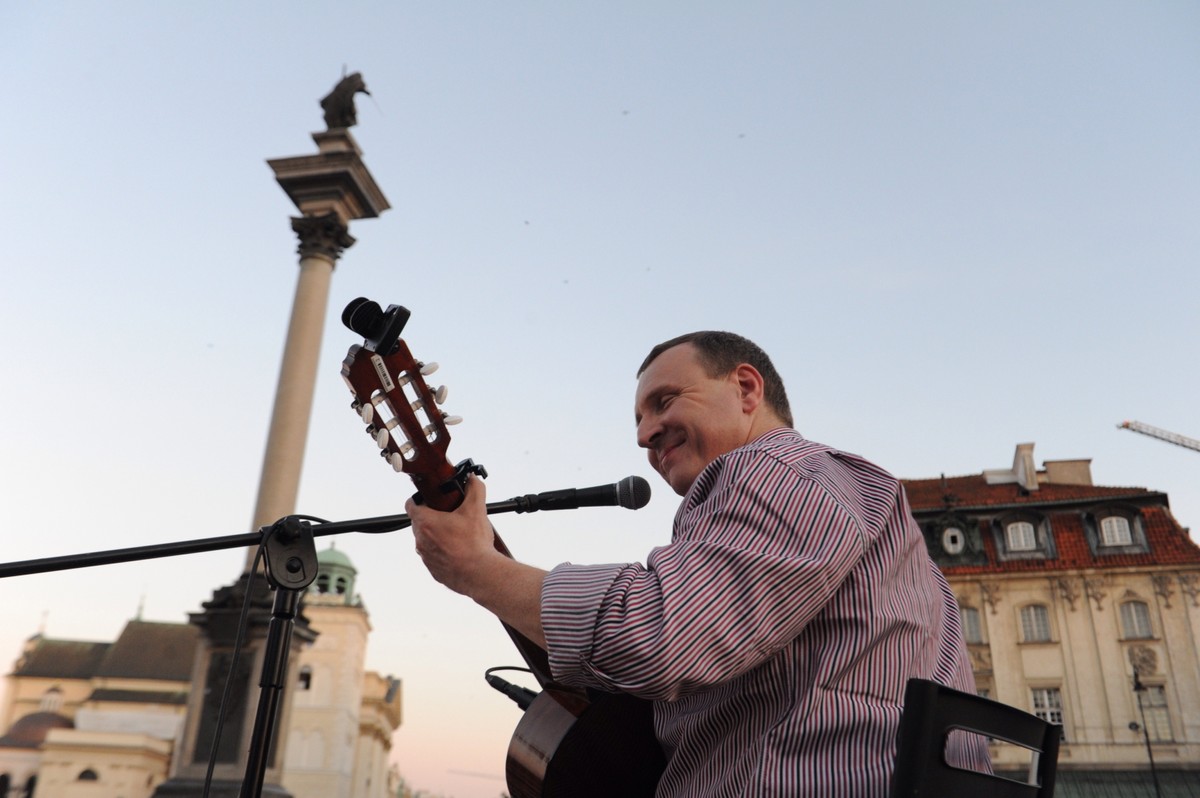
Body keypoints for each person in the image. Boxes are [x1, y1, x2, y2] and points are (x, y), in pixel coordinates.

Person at [406, 331, 986, 796]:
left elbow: (659, 634)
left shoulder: (774, 469)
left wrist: (477, 569)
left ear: (747, 389)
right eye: (637, 421)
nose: (644, 435)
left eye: (664, 402)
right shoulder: (876, 523)